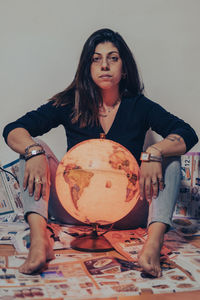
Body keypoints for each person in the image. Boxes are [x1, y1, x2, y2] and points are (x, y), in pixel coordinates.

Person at [3, 28, 198, 277]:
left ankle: (153, 244)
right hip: (73, 210)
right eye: (96, 59)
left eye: (113, 58)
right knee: (32, 151)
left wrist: (154, 152)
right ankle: (41, 241)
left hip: (127, 212)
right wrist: (33, 151)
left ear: (124, 67)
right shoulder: (70, 103)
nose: (105, 65)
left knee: (169, 157)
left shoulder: (139, 105)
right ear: (88, 67)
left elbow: (187, 132)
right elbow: (14, 129)